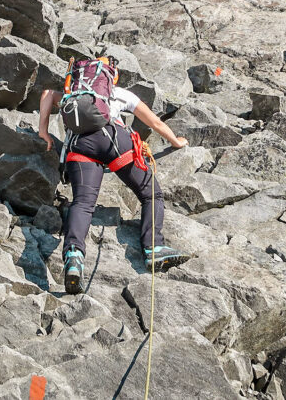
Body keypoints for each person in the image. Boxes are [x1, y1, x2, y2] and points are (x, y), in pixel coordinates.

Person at [38, 84, 190, 294]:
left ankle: (74, 257)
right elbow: (153, 121)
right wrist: (176, 141)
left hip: (80, 147)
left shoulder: (72, 95)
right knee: (151, 194)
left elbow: (46, 94)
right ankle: (154, 248)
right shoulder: (116, 92)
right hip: (114, 142)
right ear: (109, 75)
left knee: (82, 203)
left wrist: (43, 131)